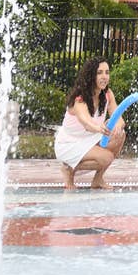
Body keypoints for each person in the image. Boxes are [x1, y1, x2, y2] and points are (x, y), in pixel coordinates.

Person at [54, 57, 124, 189]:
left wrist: (117, 126)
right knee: (106, 158)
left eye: (107, 72)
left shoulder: (107, 94)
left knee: (120, 135)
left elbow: (119, 118)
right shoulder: (80, 100)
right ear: (91, 76)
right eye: (99, 73)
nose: (104, 77)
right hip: (69, 143)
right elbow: (87, 123)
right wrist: (100, 128)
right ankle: (69, 169)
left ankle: (97, 180)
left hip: (90, 139)